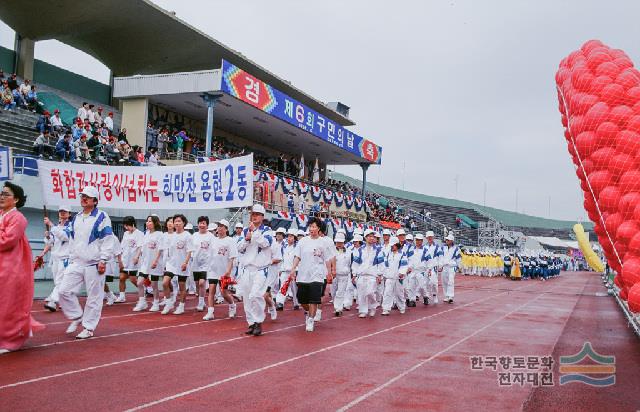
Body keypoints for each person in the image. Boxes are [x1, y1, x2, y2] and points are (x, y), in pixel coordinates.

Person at [57, 185, 116, 339]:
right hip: (76, 262)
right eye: (82, 196)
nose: (83, 198)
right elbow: (70, 238)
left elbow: (107, 239)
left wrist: (104, 259)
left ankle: (88, 327)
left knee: (94, 297)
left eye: (87, 197)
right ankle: (77, 315)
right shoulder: (76, 217)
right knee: (63, 291)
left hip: (94, 264)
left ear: (95, 201)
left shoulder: (102, 216)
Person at [0, 182, 43, 353]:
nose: (2, 197)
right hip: (2, 266)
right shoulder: (2, 215)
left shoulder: (18, 218)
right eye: (1, 193)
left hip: (12, 268)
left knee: (9, 305)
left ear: (16, 199)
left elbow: (8, 241)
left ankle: (11, 340)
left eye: (6, 194)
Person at [288, 217, 335, 332]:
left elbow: (328, 259)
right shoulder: (303, 241)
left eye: (314, 227)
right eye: (310, 227)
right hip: (303, 274)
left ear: (318, 228)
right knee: (302, 299)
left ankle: (310, 320)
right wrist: (293, 268)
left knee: (314, 299)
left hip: (317, 275)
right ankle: (309, 312)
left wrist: (329, 272)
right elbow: (297, 256)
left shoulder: (323, 242)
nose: (312, 229)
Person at [237, 204, 273, 336]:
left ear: (262, 217)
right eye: (253, 214)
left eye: (257, 214)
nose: (254, 216)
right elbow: (239, 247)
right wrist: (247, 239)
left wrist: (255, 232)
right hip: (247, 269)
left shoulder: (267, 230)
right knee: (246, 297)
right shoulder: (245, 230)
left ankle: (258, 322)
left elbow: (266, 243)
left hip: (260, 269)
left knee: (255, 295)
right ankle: (251, 323)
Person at [39, 205, 73, 312]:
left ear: (69, 214)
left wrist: (51, 225)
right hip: (55, 259)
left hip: (65, 258)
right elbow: (51, 243)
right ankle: (65, 300)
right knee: (58, 282)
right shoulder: (56, 227)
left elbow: (65, 237)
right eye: (61, 211)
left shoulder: (71, 226)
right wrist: (48, 236)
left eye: (65, 211)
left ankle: (53, 302)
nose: (62, 213)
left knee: (60, 282)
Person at [204, 219, 238, 320]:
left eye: (221, 226)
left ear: (226, 229)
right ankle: (210, 312)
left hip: (224, 271)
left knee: (224, 293)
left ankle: (232, 305)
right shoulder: (213, 240)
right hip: (213, 270)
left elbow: (232, 257)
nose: (219, 228)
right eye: (218, 226)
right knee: (211, 291)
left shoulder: (230, 241)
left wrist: (228, 270)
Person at [162, 214, 192, 315]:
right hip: (171, 264)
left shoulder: (187, 235)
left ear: (184, 223)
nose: (177, 223)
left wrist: (185, 262)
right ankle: (169, 303)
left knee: (182, 287)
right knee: (165, 283)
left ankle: (181, 306)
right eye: (175, 221)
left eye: (179, 221)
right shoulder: (172, 236)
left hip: (182, 264)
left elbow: (189, 251)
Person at [352, 229, 385, 318]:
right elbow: (355, 263)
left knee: (370, 292)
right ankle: (363, 311)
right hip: (361, 275)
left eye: (373, 236)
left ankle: (372, 307)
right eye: (369, 236)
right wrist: (354, 274)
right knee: (361, 294)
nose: (371, 238)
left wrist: (379, 275)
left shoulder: (378, 250)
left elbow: (381, 263)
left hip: (372, 275)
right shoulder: (359, 250)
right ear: (365, 238)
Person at [186, 216, 214, 313]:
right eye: (200, 223)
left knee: (202, 283)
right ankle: (201, 300)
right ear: (198, 224)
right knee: (198, 284)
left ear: (207, 225)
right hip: (196, 263)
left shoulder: (211, 236)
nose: (202, 225)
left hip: (206, 263)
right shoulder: (194, 236)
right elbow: (189, 249)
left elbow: (214, 249)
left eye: (204, 223)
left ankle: (201, 303)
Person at [116, 216, 144, 303]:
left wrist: (137, 257)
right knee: (121, 278)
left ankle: (144, 290)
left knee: (133, 279)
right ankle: (122, 296)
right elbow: (122, 246)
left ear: (132, 224)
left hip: (134, 261)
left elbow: (140, 246)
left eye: (127, 226)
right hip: (125, 260)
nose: (126, 228)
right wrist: (120, 259)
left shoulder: (139, 234)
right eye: (125, 226)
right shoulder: (125, 234)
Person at [382, 236, 408, 315]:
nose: (392, 247)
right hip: (389, 277)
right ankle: (386, 309)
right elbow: (385, 265)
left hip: (398, 278)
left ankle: (402, 307)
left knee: (399, 293)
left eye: (393, 245)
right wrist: (385, 274)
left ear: (397, 245)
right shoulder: (388, 254)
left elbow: (404, 265)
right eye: (391, 245)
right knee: (387, 293)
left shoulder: (402, 254)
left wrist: (401, 272)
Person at [275, 228, 299, 311]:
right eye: (288, 236)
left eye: (291, 236)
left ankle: (296, 303)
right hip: (285, 271)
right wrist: (281, 270)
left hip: (294, 271)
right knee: (283, 286)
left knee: (294, 289)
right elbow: (282, 259)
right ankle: (280, 303)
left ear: (295, 238)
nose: (289, 238)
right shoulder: (283, 247)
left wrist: (296, 270)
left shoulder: (298, 247)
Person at [332, 233, 352, 317]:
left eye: (340, 242)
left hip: (344, 275)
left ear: (344, 242)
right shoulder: (332, 251)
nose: (339, 244)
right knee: (333, 293)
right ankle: (336, 305)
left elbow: (351, 264)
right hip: (334, 275)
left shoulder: (349, 252)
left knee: (340, 292)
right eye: (337, 242)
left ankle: (338, 308)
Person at [440, 233, 461, 304]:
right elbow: (441, 257)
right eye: (446, 239)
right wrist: (440, 265)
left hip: (452, 267)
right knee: (444, 281)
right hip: (444, 267)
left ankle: (451, 297)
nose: (446, 241)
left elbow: (458, 258)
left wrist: (459, 266)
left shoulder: (456, 248)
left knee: (451, 281)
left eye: (448, 240)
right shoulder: (443, 247)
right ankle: (446, 296)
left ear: (452, 241)